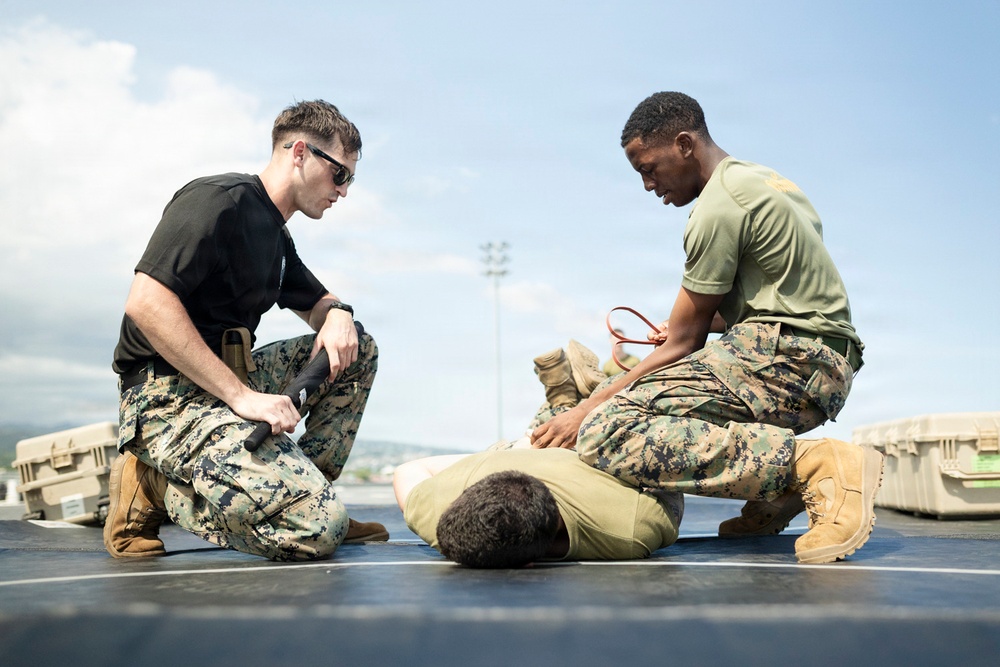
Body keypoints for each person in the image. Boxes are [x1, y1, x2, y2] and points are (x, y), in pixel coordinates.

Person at [531, 92, 882, 564]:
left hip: (787, 361)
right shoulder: (765, 181)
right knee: (639, 393)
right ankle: (775, 491)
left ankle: (808, 467)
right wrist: (698, 327)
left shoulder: (718, 206)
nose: (648, 184)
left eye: (649, 168)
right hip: (819, 359)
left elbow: (684, 342)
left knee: (607, 427)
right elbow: (778, 295)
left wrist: (585, 411)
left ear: (683, 144)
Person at [106, 100, 386, 562]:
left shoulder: (276, 237)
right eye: (341, 175)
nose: (344, 191)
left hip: (230, 385)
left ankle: (306, 492)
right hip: (166, 399)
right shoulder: (218, 200)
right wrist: (240, 396)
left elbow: (319, 303)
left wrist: (339, 314)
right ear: (300, 153)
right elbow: (146, 302)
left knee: (360, 348)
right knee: (317, 534)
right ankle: (151, 485)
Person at [393, 439, 684, 567]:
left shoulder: (630, 529)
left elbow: (672, 491)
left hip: (585, 458)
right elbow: (406, 470)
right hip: (510, 457)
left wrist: (511, 453)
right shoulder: (446, 521)